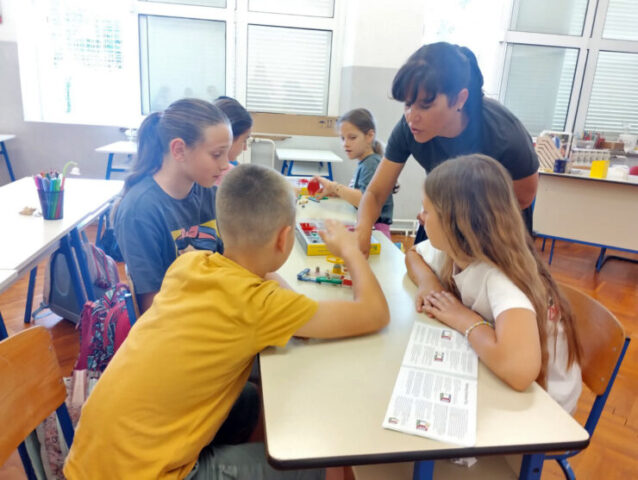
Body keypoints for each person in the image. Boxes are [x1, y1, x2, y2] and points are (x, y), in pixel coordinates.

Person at [64, 164, 390, 480]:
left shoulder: (190, 264)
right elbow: (375, 313)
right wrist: (350, 251)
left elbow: (273, 296)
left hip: (92, 456)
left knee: (251, 401)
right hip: (149, 473)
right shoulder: (259, 304)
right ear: (284, 238)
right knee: (327, 464)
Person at [405, 154, 581, 413]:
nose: (420, 216)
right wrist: (430, 284)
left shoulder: (501, 279)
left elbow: (519, 371)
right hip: (502, 373)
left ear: (457, 224)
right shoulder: (456, 250)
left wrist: (463, 318)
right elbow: (413, 255)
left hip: (545, 407)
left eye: (427, 210)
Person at [355, 42, 539, 255]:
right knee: (419, 264)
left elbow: (523, 198)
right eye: (407, 104)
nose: (412, 116)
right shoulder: (409, 128)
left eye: (425, 106)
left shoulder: (504, 135)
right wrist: (362, 231)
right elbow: (376, 193)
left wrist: (455, 221)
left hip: (496, 230)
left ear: (460, 99)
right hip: (444, 219)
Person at [114, 98, 230, 313]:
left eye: (227, 154)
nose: (225, 165)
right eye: (217, 154)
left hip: (212, 305)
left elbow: (233, 260)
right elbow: (152, 308)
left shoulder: (209, 192)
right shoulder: (139, 211)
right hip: (177, 322)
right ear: (179, 150)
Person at [311, 108, 394, 239]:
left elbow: (364, 200)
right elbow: (358, 194)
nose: (345, 144)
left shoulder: (371, 163)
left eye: (352, 138)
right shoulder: (365, 162)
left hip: (376, 232)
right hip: (368, 228)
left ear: (370, 136)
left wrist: (334, 187)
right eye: (342, 138)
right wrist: (334, 192)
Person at [213, 96, 253, 185]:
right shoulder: (227, 174)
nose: (245, 148)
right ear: (229, 138)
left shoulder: (233, 165)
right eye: (244, 140)